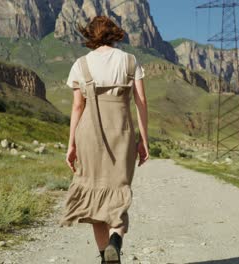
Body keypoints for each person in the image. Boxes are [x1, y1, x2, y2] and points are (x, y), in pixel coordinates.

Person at [59, 16, 150, 264]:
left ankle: (105, 257)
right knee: (119, 191)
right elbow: (141, 102)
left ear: (90, 35)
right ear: (114, 33)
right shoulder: (130, 61)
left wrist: (72, 144)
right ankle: (115, 243)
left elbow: (78, 107)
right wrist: (144, 140)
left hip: (88, 133)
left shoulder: (81, 64)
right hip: (121, 132)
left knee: (95, 194)